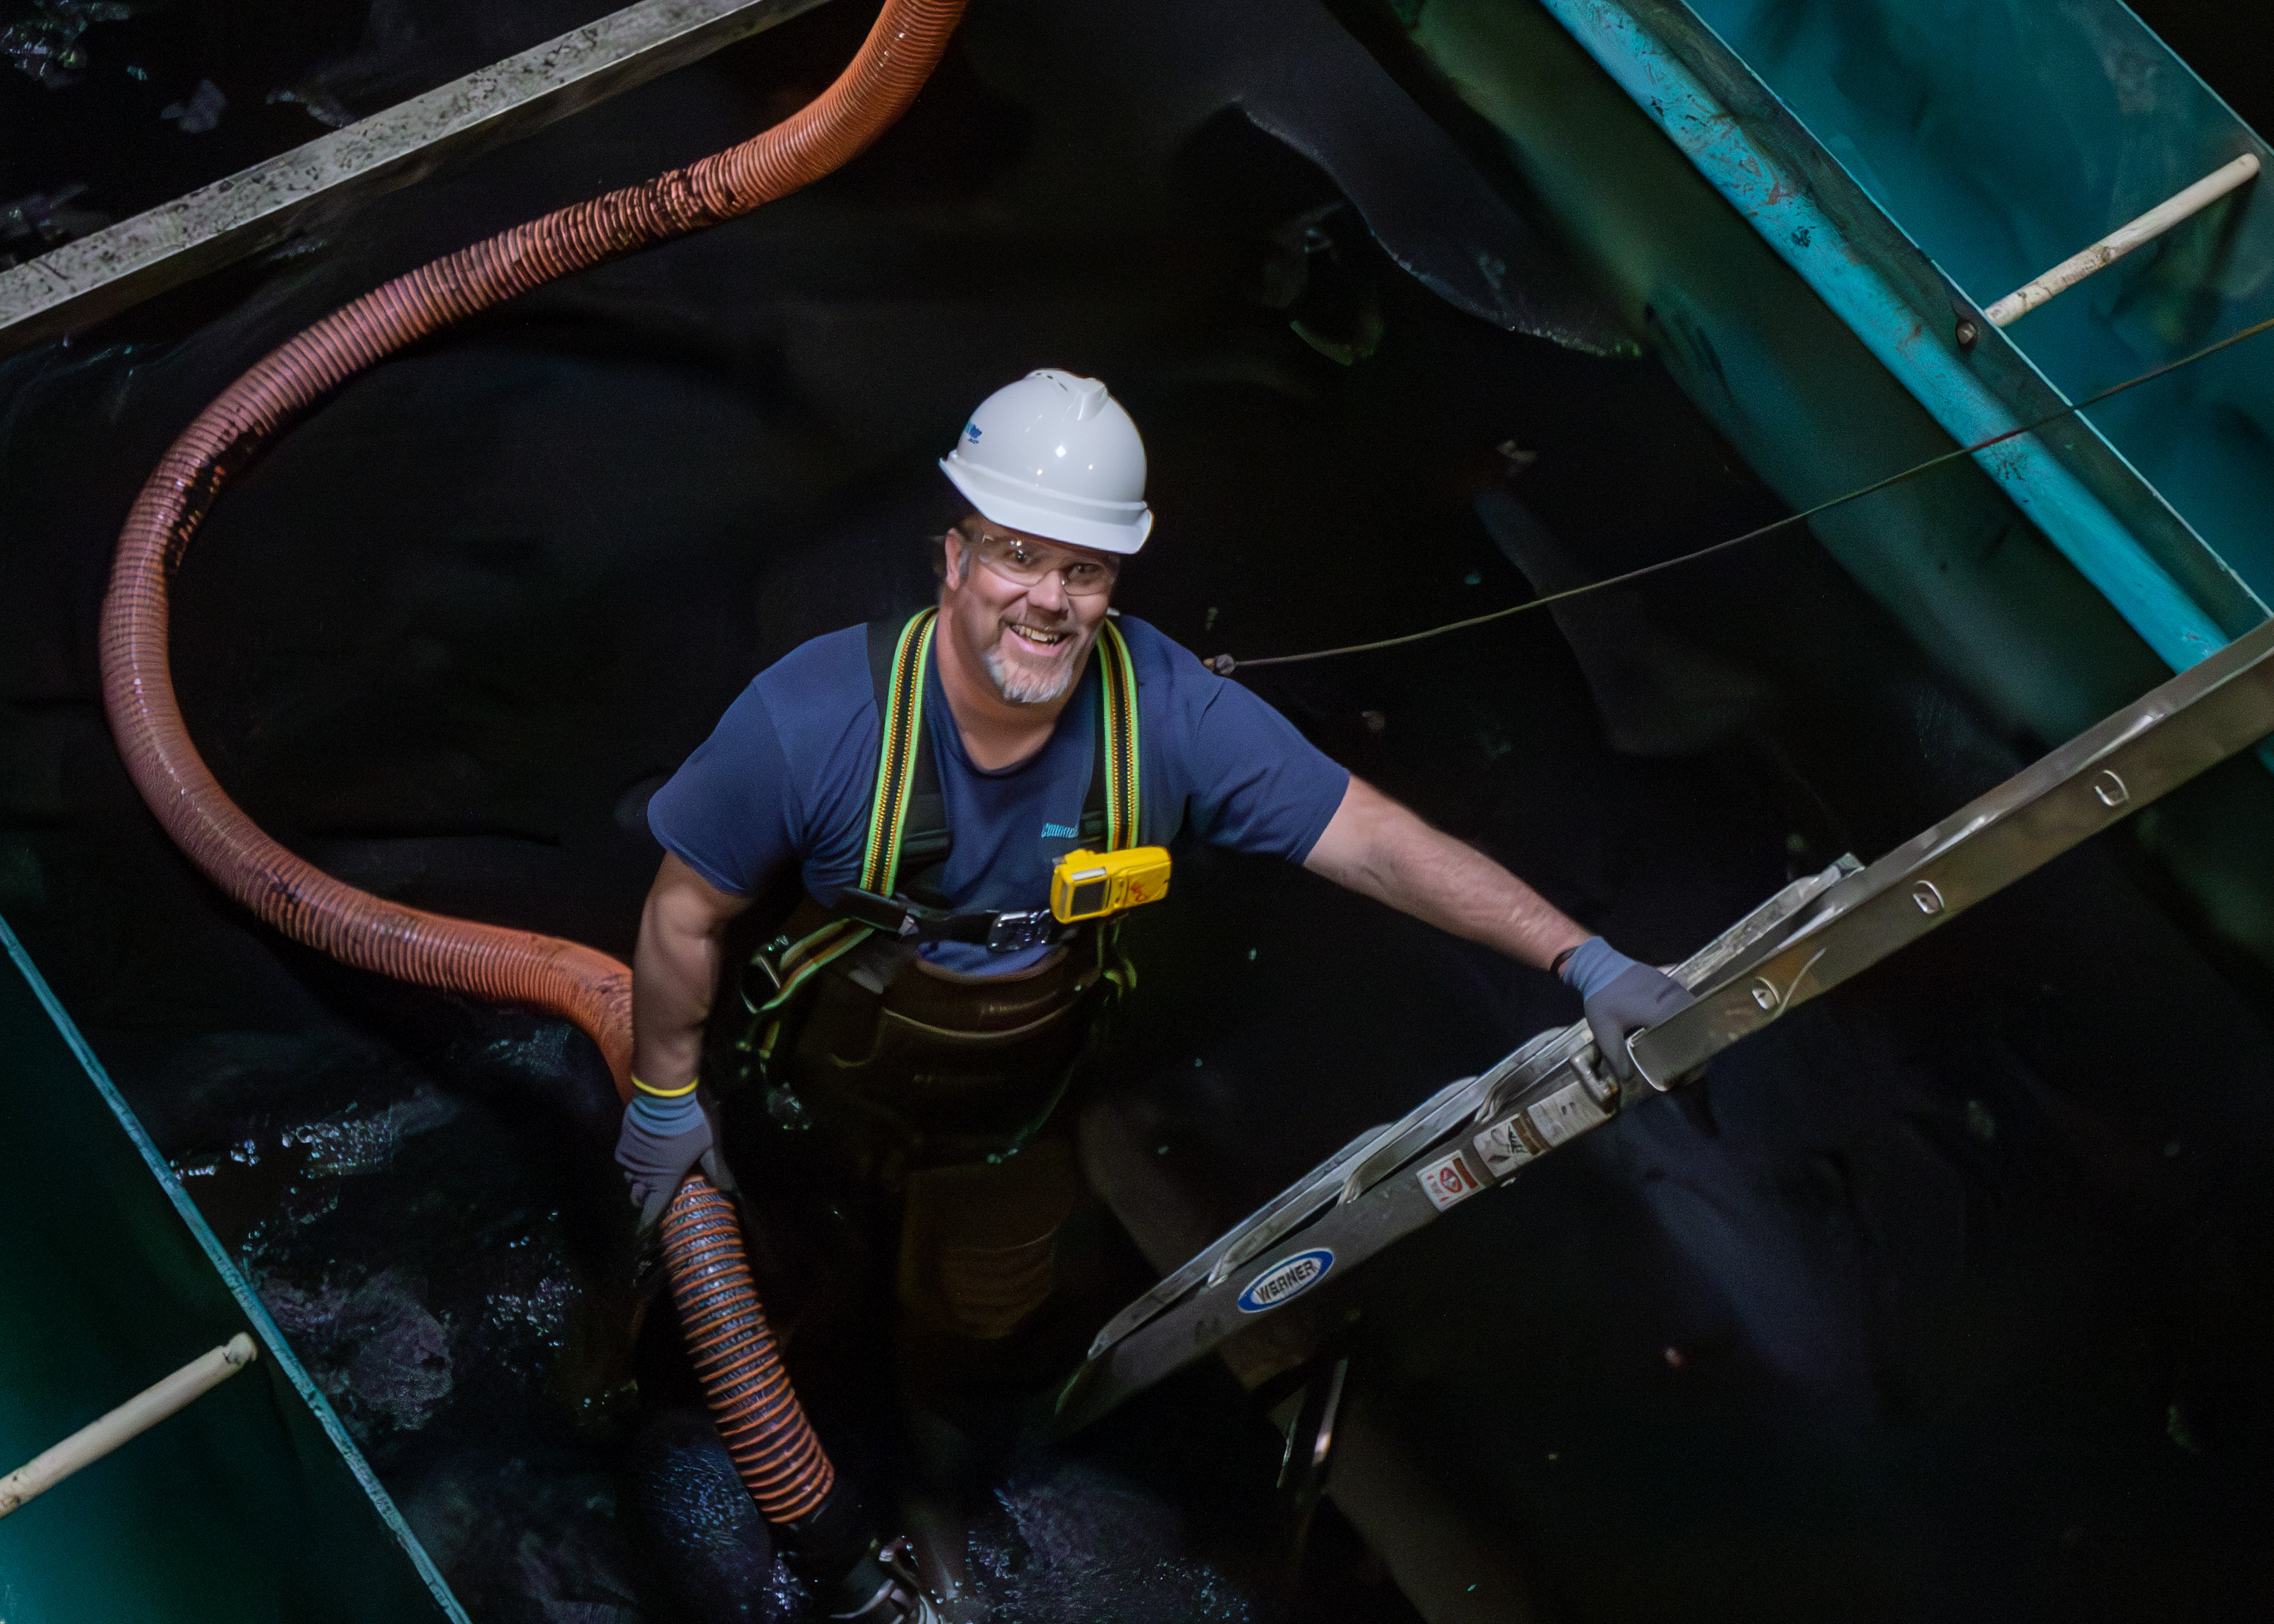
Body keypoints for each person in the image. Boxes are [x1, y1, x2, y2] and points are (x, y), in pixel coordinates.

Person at [614, 368, 1692, 1367]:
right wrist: (664, 1096)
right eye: (1017, 555)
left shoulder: (1167, 717)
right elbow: (683, 915)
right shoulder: (815, 719)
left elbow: (1373, 841)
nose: (1047, 598)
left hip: (1012, 1119)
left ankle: (940, 1441)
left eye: (1081, 569)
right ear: (955, 557)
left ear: (1114, 580)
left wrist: (1581, 956)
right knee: (739, 1285)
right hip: (809, 1081)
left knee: (978, 1332)